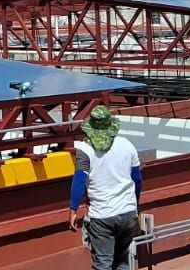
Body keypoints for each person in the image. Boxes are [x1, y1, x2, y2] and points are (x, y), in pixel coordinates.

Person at [68, 106, 142, 270]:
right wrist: (136, 206)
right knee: (122, 261)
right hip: (127, 212)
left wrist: (73, 210)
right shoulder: (127, 145)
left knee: (103, 264)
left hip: (102, 216)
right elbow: (137, 179)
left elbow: (80, 180)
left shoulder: (85, 150)